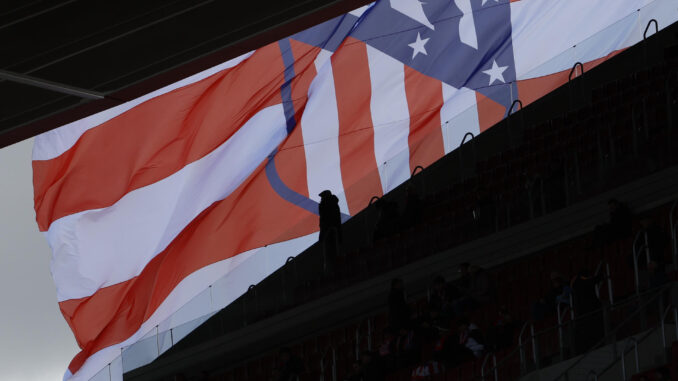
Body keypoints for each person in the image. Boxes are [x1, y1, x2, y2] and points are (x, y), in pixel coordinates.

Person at [571, 270, 604, 354]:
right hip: (590, 312)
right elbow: (595, 279)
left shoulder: (576, 284)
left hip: (582, 314)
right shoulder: (585, 282)